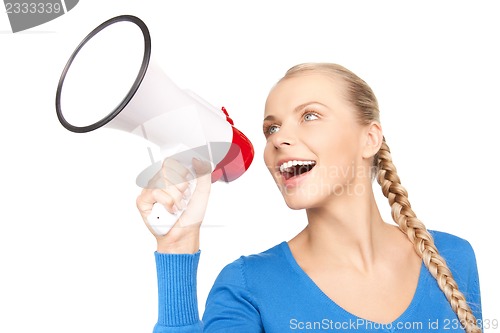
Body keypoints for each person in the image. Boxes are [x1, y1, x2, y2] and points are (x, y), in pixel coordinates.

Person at [136, 63, 482, 332]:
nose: (278, 138)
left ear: (370, 139)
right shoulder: (246, 286)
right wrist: (176, 251)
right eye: (271, 128)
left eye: (310, 116)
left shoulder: (453, 257)